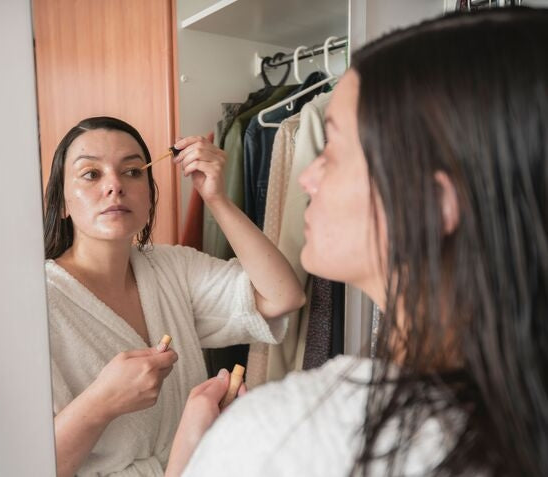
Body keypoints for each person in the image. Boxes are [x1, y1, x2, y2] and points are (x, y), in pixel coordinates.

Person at [165, 8, 548, 477]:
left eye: (333, 151)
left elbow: (282, 295)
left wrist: (191, 455)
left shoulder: (286, 437)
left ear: (430, 202)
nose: (306, 178)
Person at [43, 116, 305, 476]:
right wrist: (102, 402)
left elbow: (282, 296)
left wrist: (216, 199)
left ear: (150, 194)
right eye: (91, 174)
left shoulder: (172, 268)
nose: (115, 186)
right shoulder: (38, 304)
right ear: (62, 204)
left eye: (133, 172)